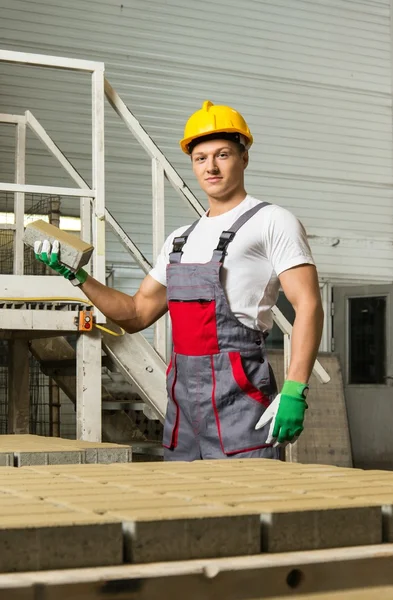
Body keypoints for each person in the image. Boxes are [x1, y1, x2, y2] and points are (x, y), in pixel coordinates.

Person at [35, 100, 324, 461]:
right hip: (184, 400)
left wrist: (295, 389)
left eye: (222, 155)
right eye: (200, 158)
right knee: (188, 503)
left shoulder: (273, 221)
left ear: (244, 157)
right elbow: (136, 313)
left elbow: (308, 304)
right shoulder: (180, 239)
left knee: (250, 505)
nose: (211, 167)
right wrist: (77, 276)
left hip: (240, 394)